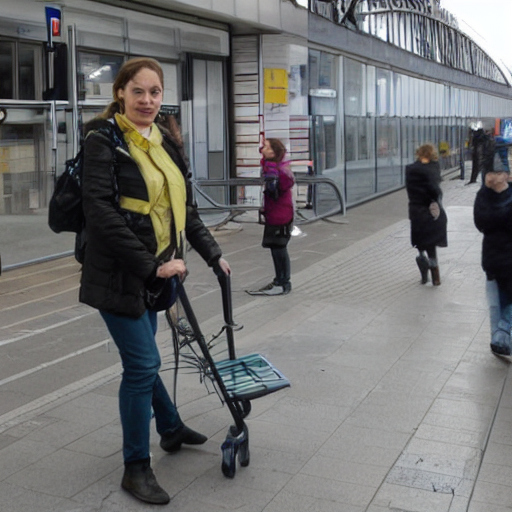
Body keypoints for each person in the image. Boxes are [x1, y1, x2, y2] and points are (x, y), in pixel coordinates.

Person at [80, 57, 231, 505]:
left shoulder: (164, 138)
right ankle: (135, 467)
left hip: (159, 273)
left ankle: (169, 428)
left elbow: (185, 209)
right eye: (138, 92)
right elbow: (101, 214)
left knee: (143, 360)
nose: (147, 100)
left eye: (155, 92)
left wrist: (213, 254)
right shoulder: (102, 139)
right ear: (121, 93)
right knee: (143, 365)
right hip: (120, 275)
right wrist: (153, 266)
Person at [474, 157, 512, 356]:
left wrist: (496, 221)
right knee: (495, 303)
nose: (494, 177)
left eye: (498, 173)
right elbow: (481, 223)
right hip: (492, 259)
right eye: (491, 173)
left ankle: (502, 334)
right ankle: (498, 342)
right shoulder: (483, 195)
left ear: (507, 175)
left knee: (507, 302)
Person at [248, 138, 295, 296]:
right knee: (276, 248)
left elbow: (279, 187)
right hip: (276, 213)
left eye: (266, 147)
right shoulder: (271, 167)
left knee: (279, 248)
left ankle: (283, 283)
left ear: (274, 152)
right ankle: (279, 280)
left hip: (280, 215)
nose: (262, 148)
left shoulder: (278, 171)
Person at [405, 143, 448, 285]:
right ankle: (435, 273)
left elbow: (410, 190)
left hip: (416, 210)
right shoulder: (433, 168)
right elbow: (435, 190)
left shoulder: (410, 169)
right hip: (431, 210)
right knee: (431, 244)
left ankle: (424, 270)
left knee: (420, 243)